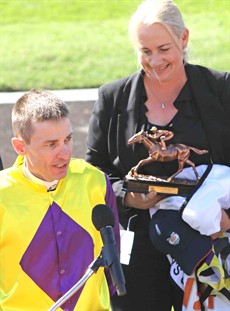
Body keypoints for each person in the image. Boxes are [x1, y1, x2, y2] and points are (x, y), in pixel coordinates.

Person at [85, 0, 230, 310]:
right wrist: (126, 196)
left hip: (211, 243)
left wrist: (227, 219)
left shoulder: (221, 90)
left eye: (164, 49)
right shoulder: (112, 98)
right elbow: (93, 171)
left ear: (184, 39)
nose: (155, 61)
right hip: (137, 250)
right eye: (145, 51)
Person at [0, 89, 121, 311]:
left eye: (68, 139)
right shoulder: (2, 194)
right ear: (20, 147)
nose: (64, 153)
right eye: (51, 144)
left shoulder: (95, 181)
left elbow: (112, 258)